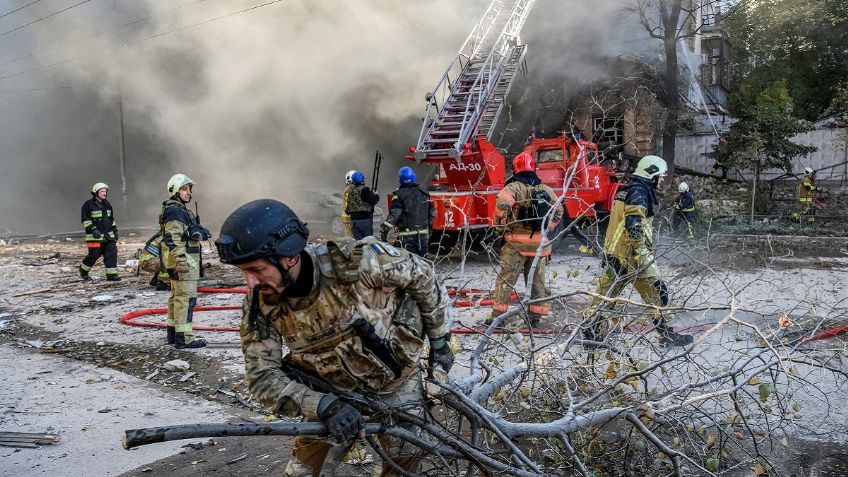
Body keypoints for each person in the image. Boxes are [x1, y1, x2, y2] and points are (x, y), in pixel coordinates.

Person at [214, 199, 453, 476]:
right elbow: (262, 377)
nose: (251, 283)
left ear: (289, 257)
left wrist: (439, 344)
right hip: (332, 394)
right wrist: (324, 406)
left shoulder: (356, 262)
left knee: (406, 466)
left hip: (396, 384)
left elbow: (423, 276)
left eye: (256, 270)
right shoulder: (261, 306)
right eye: (244, 272)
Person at [584, 155, 693, 347]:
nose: (662, 179)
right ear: (650, 173)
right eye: (660, 175)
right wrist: (644, 258)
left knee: (605, 297)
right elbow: (634, 226)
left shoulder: (627, 189)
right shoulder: (640, 192)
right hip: (632, 256)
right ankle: (666, 335)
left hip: (614, 255)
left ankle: (590, 335)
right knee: (657, 293)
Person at [486, 152, 563, 329]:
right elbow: (558, 211)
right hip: (540, 246)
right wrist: (548, 228)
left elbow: (501, 207)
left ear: (515, 169)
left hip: (515, 245)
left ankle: (498, 317)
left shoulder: (512, 188)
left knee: (506, 281)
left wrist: (501, 227)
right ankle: (535, 318)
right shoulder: (545, 190)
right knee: (537, 282)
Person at [159, 173, 210, 349]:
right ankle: (184, 338)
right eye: (184, 189)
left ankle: (173, 334)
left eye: (189, 189)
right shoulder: (175, 210)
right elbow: (172, 237)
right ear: (174, 190)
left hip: (180, 259)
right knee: (186, 299)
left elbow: (180, 234)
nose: (188, 192)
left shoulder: (179, 209)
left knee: (176, 297)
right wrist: (181, 259)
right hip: (184, 260)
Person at [380, 166, 434, 257]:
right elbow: (431, 213)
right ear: (413, 177)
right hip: (423, 236)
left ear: (400, 179)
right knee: (423, 263)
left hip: (407, 237)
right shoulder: (424, 193)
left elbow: (394, 215)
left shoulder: (399, 195)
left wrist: (384, 230)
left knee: (408, 263)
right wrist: (430, 228)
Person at [79, 182, 120, 281]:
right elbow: (85, 220)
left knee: (112, 253)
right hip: (94, 236)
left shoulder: (107, 204)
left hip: (108, 236)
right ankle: (83, 270)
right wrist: (93, 229)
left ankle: (112, 275)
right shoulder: (88, 205)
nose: (104, 193)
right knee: (94, 255)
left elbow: (111, 219)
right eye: (102, 191)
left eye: (105, 191)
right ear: (96, 192)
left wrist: (114, 231)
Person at [342, 170, 380, 239]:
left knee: (358, 243)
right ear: (362, 180)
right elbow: (373, 201)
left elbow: (348, 207)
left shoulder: (350, 191)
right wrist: (376, 195)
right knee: (367, 241)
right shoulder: (365, 190)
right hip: (365, 220)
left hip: (354, 221)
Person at [341, 170, 356, 237]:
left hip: (347, 217)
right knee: (350, 236)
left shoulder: (347, 189)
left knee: (348, 233)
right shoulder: (350, 189)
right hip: (350, 217)